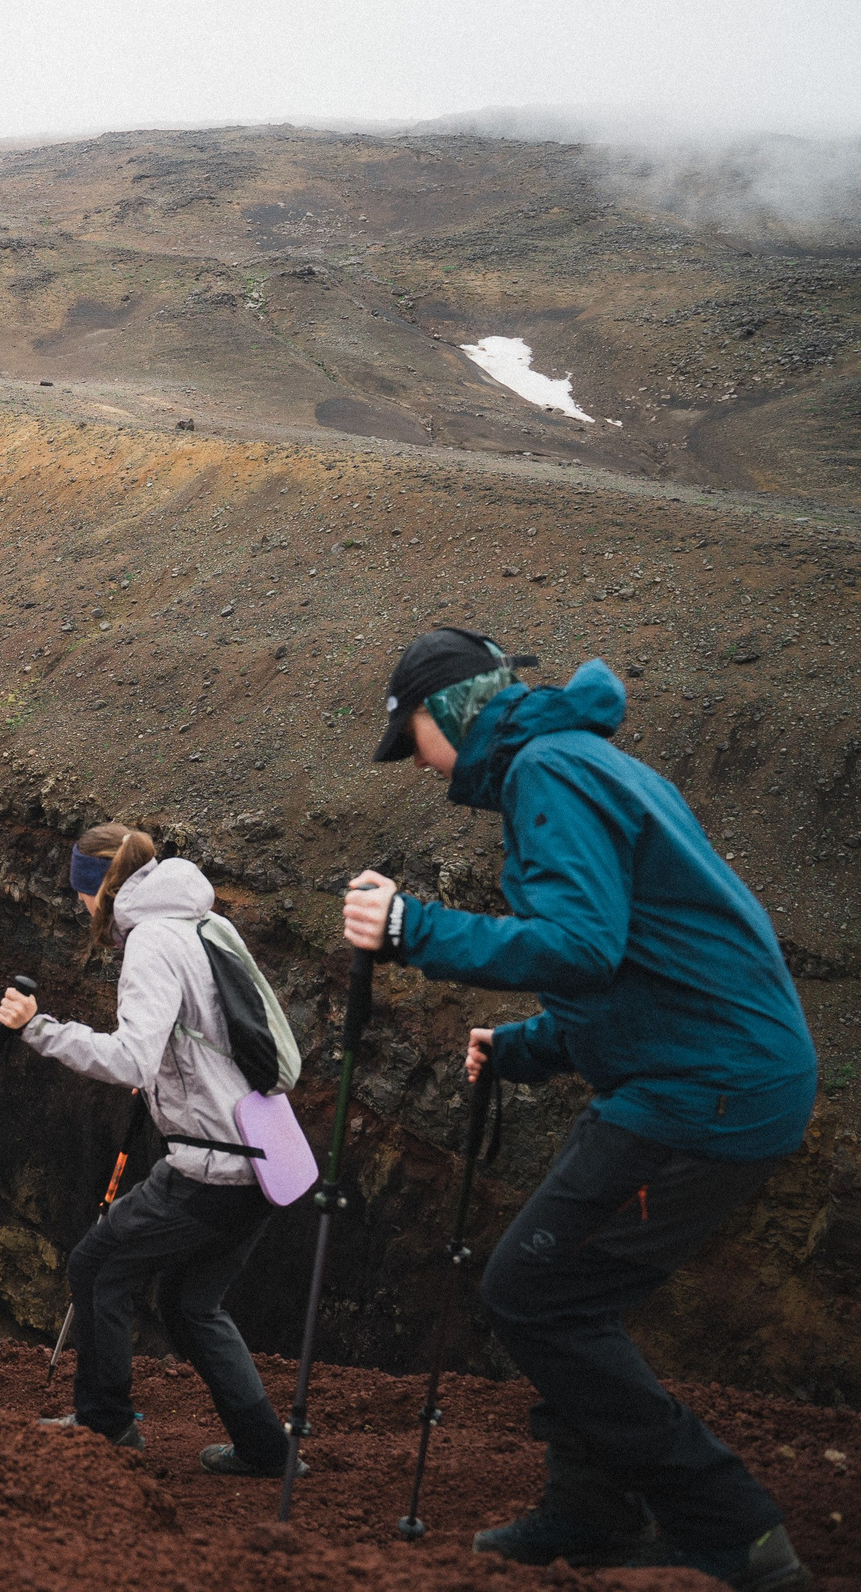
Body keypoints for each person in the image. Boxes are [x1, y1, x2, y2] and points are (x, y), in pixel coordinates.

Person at [345, 630, 816, 1591]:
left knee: (530, 1292)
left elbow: (581, 946)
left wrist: (409, 926)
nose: (422, 764)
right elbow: (639, 960)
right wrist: (526, 1045)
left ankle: (736, 1530)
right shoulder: (585, 757)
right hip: (714, 1068)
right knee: (568, 1292)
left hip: (707, 1087)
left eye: (417, 738)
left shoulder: (548, 772)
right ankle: (591, 1510)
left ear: (452, 710)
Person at [0, 824, 298, 1478]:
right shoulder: (204, 922)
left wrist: (38, 1028)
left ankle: (105, 1427)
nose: (80, 908)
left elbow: (134, 1054)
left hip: (211, 1163)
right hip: (261, 1154)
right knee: (190, 1303)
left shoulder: (151, 942)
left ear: (96, 889)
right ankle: (266, 1448)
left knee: (98, 1266)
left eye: (80, 893)